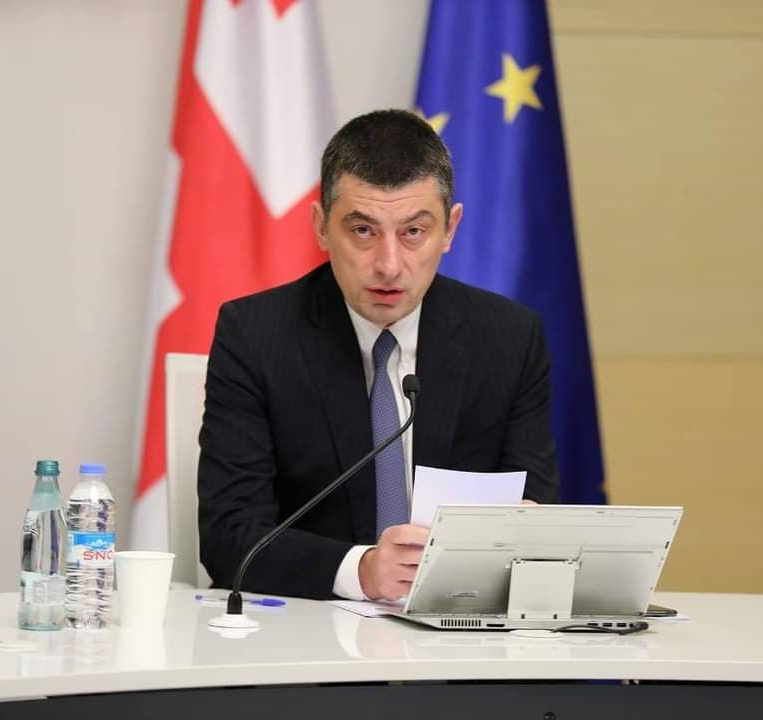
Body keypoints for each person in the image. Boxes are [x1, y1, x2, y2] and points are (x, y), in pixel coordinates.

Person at [197, 109, 558, 601]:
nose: (388, 265)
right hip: (309, 629)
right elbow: (229, 536)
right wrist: (361, 570)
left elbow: (534, 509)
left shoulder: (509, 339)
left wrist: (528, 533)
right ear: (322, 227)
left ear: (450, 229)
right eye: (363, 231)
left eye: (414, 232)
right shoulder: (256, 336)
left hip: (458, 626)